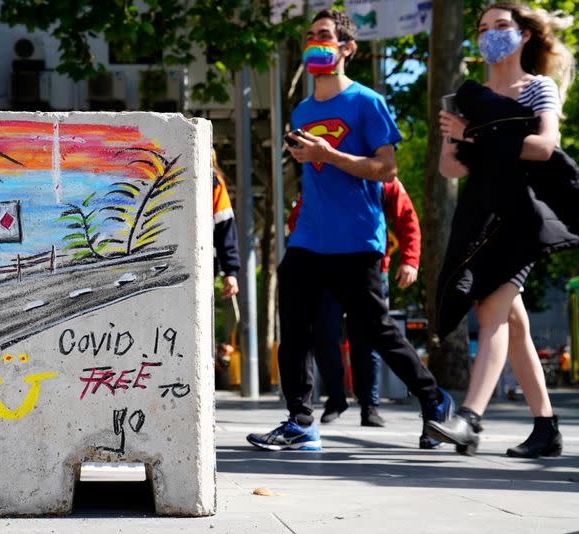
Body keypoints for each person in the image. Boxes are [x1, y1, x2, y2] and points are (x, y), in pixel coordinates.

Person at [246, 9, 452, 452]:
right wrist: (307, 157)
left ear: (347, 48)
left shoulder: (368, 102)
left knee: (376, 329)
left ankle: (434, 401)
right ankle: (301, 421)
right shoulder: (301, 108)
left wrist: (331, 154)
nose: (315, 42)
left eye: (325, 36)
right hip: (309, 240)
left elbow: (386, 168)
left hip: (358, 239)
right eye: (309, 36)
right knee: (294, 324)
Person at [427, 3, 578, 457]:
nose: (491, 34)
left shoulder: (538, 89)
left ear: (524, 35)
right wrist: (459, 138)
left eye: (501, 27)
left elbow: (544, 146)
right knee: (514, 323)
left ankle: (470, 420)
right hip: (481, 216)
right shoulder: (466, 97)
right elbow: (449, 167)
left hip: (522, 216)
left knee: (492, 309)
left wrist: (476, 138)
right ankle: (546, 428)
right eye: (484, 28)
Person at [287, 178, 421, 427]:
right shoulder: (322, 176)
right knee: (324, 335)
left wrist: (410, 260)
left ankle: (370, 406)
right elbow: (296, 219)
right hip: (326, 271)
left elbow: (406, 217)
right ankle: (336, 398)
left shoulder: (382, 175)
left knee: (367, 338)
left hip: (369, 270)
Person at [212, 150, 240, 300]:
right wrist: (230, 272)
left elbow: (225, 226)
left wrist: (231, 272)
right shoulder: (215, 183)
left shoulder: (215, 184)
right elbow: (226, 228)